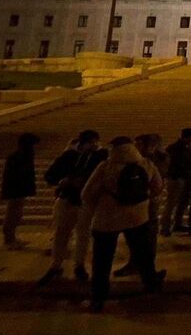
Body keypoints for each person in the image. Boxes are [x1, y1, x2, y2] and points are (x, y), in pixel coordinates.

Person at [82, 136, 165, 313]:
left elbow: (87, 193)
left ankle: (98, 297)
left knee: (102, 260)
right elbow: (158, 187)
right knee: (143, 254)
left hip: (107, 219)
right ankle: (151, 284)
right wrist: (143, 200)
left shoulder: (106, 166)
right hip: (137, 217)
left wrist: (96, 207)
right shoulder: (145, 164)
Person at [38, 130, 108, 285]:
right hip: (66, 199)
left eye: (96, 141)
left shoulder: (100, 157)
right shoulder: (68, 157)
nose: (94, 145)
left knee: (83, 234)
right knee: (61, 233)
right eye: (91, 142)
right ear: (82, 143)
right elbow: (50, 176)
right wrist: (64, 181)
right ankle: (56, 265)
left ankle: (79, 265)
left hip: (86, 202)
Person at [114, 134, 166, 277]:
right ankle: (141, 266)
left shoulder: (150, 160)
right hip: (143, 202)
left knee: (145, 235)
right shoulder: (149, 159)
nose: (134, 146)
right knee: (141, 235)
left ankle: (142, 267)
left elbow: (157, 183)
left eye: (138, 144)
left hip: (146, 203)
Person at [1, 133, 39, 250]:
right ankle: (9, 239)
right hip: (15, 190)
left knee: (16, 214)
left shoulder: (24, 156)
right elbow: (13, 175)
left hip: (19, 190)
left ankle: (12, 238)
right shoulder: (18, 157)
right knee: (12, 214)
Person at [160, 128, 191, 236]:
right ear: (188, 137)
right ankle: (165, 228)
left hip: (182, 178)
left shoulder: (184, 147)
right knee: (171, 203)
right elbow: (178, 163)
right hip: (176, 178)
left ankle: (177, 224)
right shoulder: (176, 148)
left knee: (182, 203)